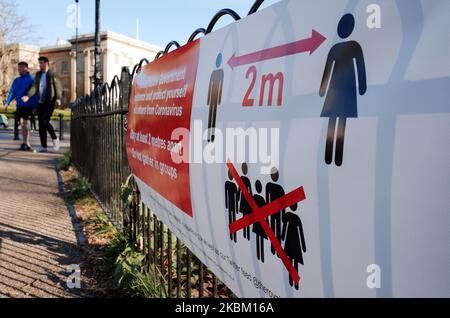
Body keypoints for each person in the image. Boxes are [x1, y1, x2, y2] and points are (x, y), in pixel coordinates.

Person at [319, 13, 367, 167]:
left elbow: (360, 67)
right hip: (338, 89)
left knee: (339, 123)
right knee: (335, 122)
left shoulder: (352, 46)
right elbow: (328, 69)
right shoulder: (338, 48)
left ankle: (336, 156)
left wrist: (362, 87)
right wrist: (322, 89)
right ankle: (329, 155)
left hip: (344, 89)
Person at [23, 56, 61, 153]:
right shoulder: (38, 74)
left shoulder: (52, 73)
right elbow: (34, 86)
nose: (40, 65)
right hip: (40, 101)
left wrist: (58, 98)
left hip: (50, 101)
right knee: (41, 124)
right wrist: (28, 96)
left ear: (46, 63)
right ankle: (43, 146)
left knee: (45, 121)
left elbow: (57, 86)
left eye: (41, 63)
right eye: (39, 63)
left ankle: (55, 139)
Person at [5, 62, 37, 151]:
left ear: (27, 68)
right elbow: (12, 92)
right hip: (19, 106)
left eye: (21, 68)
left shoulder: (32, 79)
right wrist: (7, 103)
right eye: (19, 68)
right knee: (22, 124)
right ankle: (26, 143)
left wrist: (35, 106)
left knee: (23, 123)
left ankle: (25, 143)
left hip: (28, 105)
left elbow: (35, 93)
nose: (19, 69)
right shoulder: (16, 80)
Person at [282, 203, 307, 290]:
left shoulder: (288, 215)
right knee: (294, 262)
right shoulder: (296, 218)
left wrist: (282, 236)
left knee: (290, 261)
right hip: (296, 241)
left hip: (290, 240)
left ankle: (291, 280)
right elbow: (301, 232)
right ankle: (295, 282)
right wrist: (303, 246)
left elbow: (285, 227)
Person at [265, 167, 286, 256]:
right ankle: (274, 249)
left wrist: (283, 215)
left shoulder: (272, 186)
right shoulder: (270, 186)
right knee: (274, 230)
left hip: (277, 213)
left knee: (276, 231)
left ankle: (276, 250)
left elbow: (283, 203)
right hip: (273, 213)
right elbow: (267, 200)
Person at [207, 53, 224, 143]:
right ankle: (209, 135)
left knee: (213, 118)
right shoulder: (214, 72)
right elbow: (210, 86)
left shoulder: (221, 72)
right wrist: (207, 100)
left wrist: (220, 100)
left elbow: (220, 86)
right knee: (210, 117)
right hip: (212, 99)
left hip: (215, 99)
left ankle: (212, 136)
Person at [252, 180, 268, 263]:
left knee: (258, 236)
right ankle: (260, 255)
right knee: (260, 237)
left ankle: (258, 255)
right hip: (261, 222)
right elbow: (266, 213)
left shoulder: (254, 197)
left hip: (256, 221)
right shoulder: (262, 199)